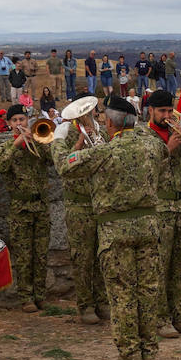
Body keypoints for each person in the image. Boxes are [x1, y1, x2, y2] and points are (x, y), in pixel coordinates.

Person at [58, 96, 164, 360]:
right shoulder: (153, 145)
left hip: (115, 231)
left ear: (109, 124)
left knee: (122, 293)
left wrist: (60, 140)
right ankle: (149, 351)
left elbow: (65, 166)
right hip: (148, 226)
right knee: (149, 290)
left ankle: (130, 354)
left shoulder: (103, 152)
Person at [145, 90, 181, 337]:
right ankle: (160, 320)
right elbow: (145, 171)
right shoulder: (143, 136)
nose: (167, 116)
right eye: (162, 111)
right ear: (151, 111)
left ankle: (178, 316)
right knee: (159, 266)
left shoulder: (177, 132)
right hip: (160, 209)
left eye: (170, 111)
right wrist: (168, 148)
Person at [0, 103, 53, 312]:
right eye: (15, 120)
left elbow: (53, 159)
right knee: (24, 255)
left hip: (41, 206)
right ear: (9, 124)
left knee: (41, 254)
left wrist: (38, 140)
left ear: (28, 120)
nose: (19, 123)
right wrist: (16, 144)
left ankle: (41, 295)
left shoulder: (38, 140)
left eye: (22, 119)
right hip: (20, 208)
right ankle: (26, 297)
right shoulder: (6, 147)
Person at [50, 98, 105, 326]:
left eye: (90, 112)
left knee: (102, 256)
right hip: (78, 206)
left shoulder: (100, 131)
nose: (88, 116)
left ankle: (103, 301)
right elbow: (62, 165)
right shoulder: (65, 133)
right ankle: (86, 305)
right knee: (82, 258)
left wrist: (98, 140)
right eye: (85, 113)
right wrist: (80, 143)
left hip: (99, 203)